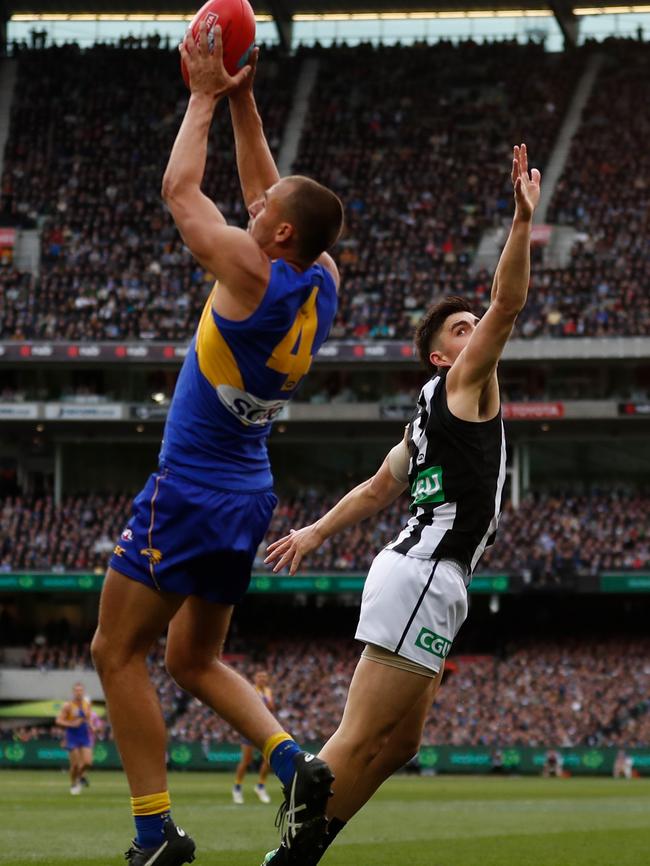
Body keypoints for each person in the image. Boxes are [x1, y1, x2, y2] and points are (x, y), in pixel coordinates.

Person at [90, 23, 343, 866]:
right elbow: (270, 183)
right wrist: (244, 100)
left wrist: (202, 91)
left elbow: (179, 189)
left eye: (263, 214)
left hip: (190, 488)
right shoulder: (320, 277)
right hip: (246, 491)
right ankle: (294, 761)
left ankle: (154, 833)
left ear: (273, 239)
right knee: (194, 657)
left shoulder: (246, 270)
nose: (255, 205)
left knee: (113, 650)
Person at [262, 145, 541, 864]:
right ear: (444, 358)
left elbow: (380, 486)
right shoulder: (460, 387)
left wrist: (316, 532)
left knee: (404, 743)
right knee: (357, 738)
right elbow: (510, 304)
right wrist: (519, 222)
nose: (474, 329)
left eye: (471, 322)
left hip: (424, 576)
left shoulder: (426, 412)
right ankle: (292, 823)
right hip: (423, 573)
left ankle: (309, 844)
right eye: (460, 329)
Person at [233, 669, 275, 804]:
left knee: (268, 760)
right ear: (255, 678)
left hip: (264, 729)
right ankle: (237, 787)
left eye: (264, 676)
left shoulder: (268, 691)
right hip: (250, 728)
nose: (262, 679)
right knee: (246, 760)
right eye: (260, 676)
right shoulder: (250, 690)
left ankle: (260, 786)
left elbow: (271, 708)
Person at [56, 683, 93, 796]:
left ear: (83, 692)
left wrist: (92, 726)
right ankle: (73, 783)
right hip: (72, 736)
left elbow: (87, 719)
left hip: (84, 735)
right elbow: (58, 720)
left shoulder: (87, 704)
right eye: (76, 690)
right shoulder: (68, 705)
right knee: (75, 765)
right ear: (73, 692)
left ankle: (81, 776)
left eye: (81, 690)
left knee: (87, 763)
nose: (79, 692)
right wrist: (71, 724)